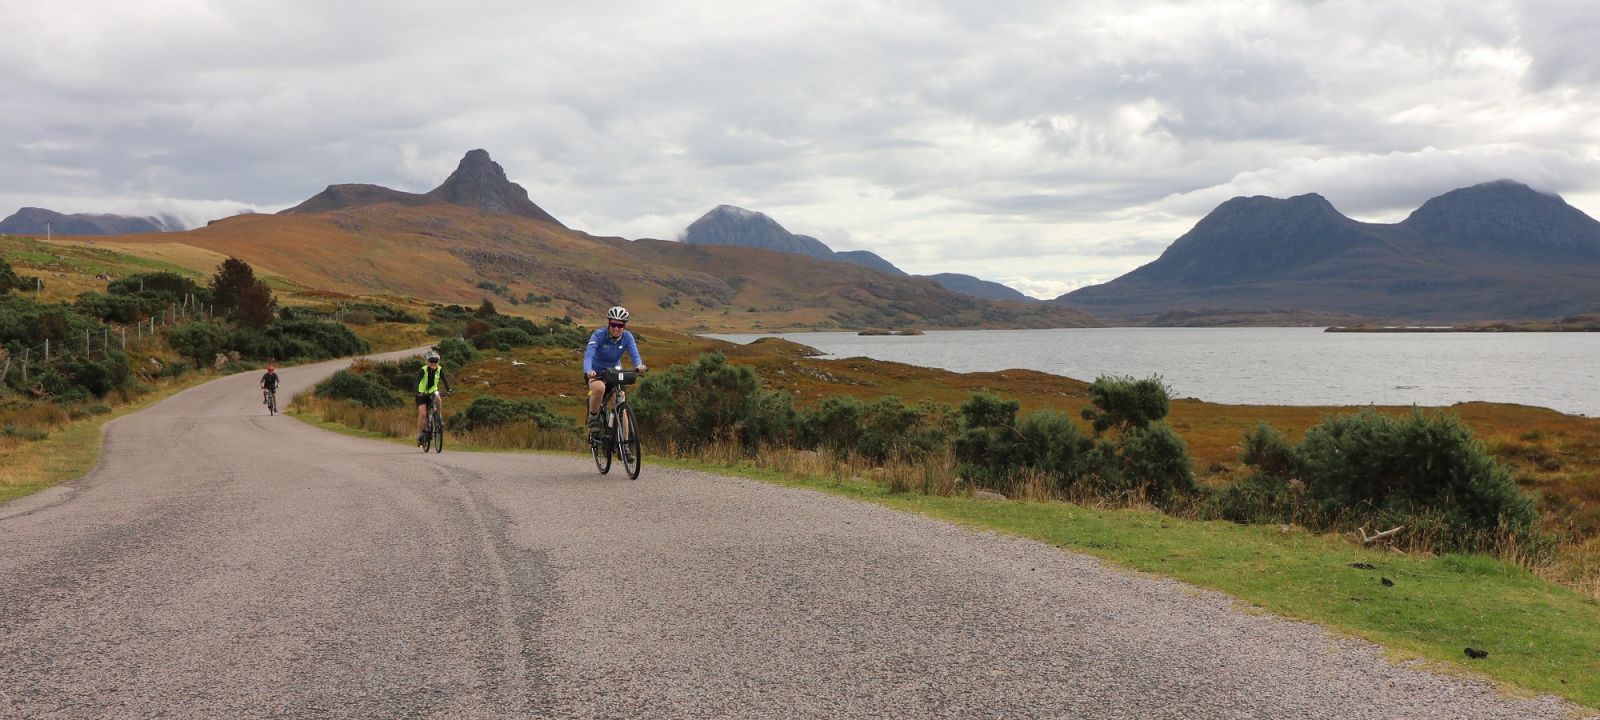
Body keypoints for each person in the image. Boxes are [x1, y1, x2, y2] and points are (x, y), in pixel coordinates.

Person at [583, 306, 647, 440]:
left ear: (624, 326)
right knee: (599, 388)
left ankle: (625, 444)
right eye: (613, 324)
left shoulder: (628, 337)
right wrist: (589, 371)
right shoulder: (598, 335)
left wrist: (639, 366)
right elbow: (588, 355)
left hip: (614, 373)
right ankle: (593, 418)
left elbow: (634, 354)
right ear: (609, 323)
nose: (616, 328)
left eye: (620, 325)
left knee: (621, 404)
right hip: (596, 373)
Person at [415, 350, 453, 446]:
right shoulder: (423, 370)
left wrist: (449, 389)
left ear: (438, 362)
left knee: (438, 397)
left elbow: (445, 380)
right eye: (431, 361)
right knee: (423, 414)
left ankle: (438, 417)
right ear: (427, 361)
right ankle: (420, 435)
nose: (433, 363)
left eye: (435, 361)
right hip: (422, 394)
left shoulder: (440, 370)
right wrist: (417, 391)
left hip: (433, 392)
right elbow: (417, 382)